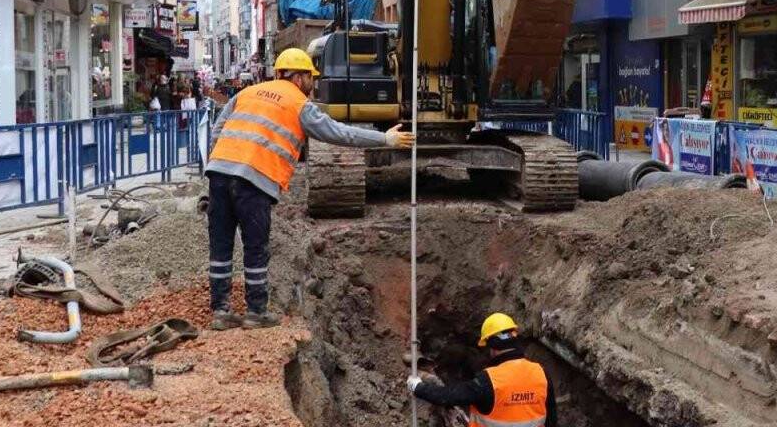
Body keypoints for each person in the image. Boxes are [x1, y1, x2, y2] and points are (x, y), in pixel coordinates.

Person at [205, 48, 415, 330]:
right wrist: (385, 139)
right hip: (254, 180)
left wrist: (212, 172)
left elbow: (218, 131)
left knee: (221, 246)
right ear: (299, 77)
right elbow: (338, 133)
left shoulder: (246, 93)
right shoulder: (298, 103)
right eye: (310, 77)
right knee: (255, 249)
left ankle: (220, 311)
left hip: (219, 173)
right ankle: (255, 313)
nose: (313, 84)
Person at [407, 312, 558, 427]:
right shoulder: (541, 373)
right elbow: (551, 420)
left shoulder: (489, 380)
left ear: (492, 347)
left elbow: (449, 395)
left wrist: (418, 387)